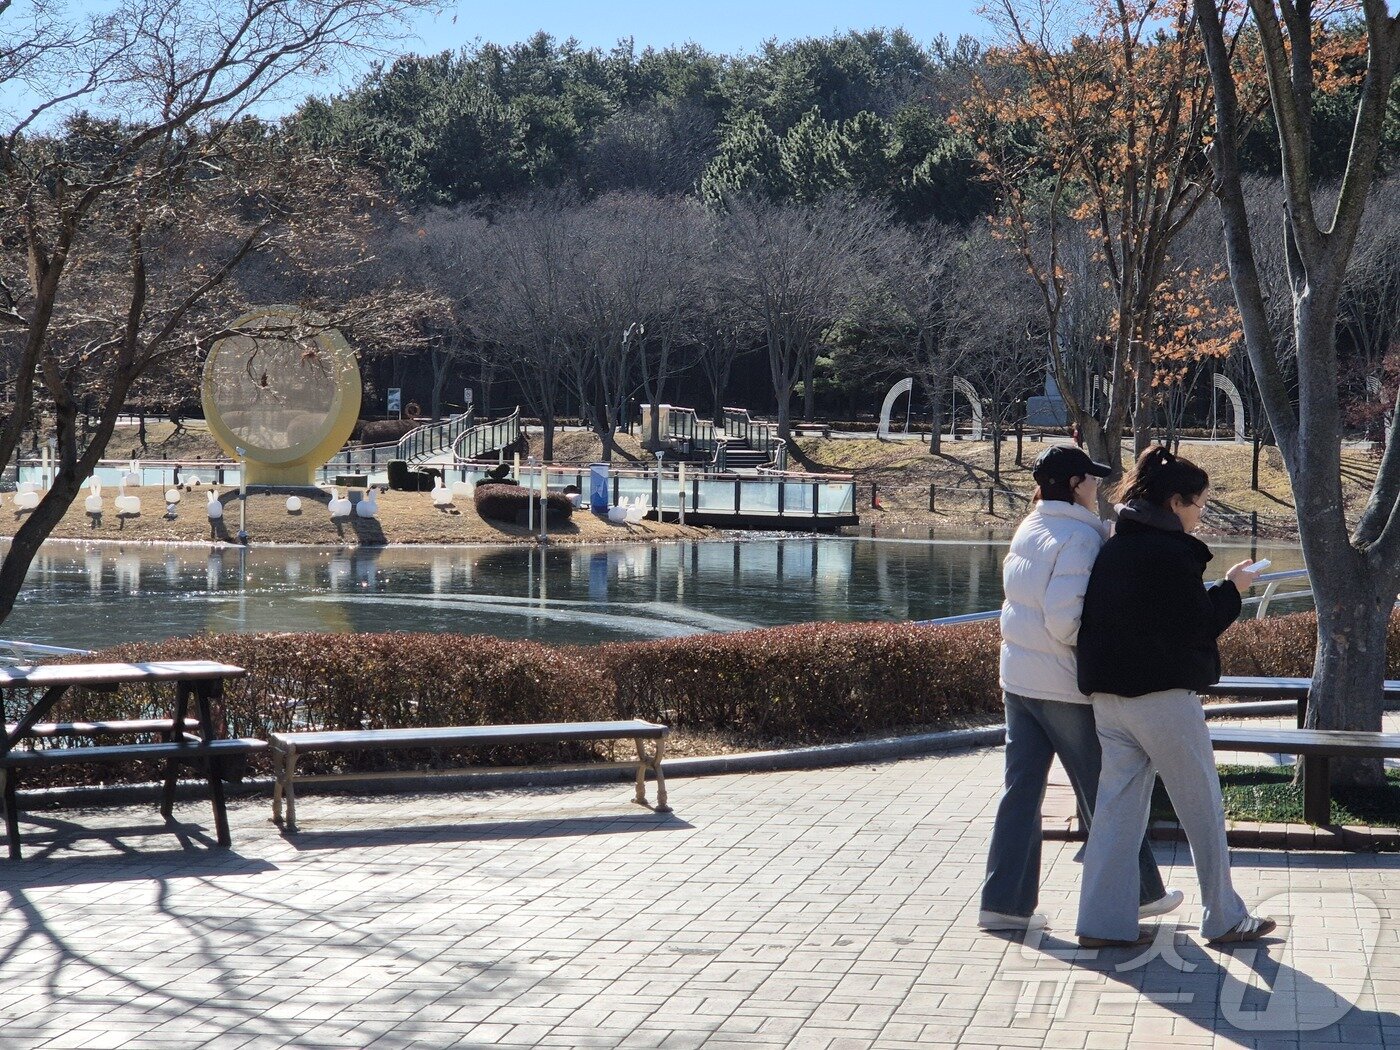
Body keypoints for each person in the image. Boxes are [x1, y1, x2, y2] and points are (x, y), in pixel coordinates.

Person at [1074, 445, 1275, 947]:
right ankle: (1224, 916)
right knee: (1202, 808)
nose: (1201, 513)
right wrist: (1233, 588)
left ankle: (1101, 923)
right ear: (1175, 502)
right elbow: (1197, 624)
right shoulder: (1172, 553)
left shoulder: (1117, 546)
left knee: (1116, 814)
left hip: (1108, 698)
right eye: (1199, 503)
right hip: (1163, 699)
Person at [979, 445, 1180, 931]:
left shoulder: (1031, 527)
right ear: (1073, 484)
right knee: (1106, 792)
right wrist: (1099, 651)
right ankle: (1141, 894)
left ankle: (1003, 905)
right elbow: (1065, 618)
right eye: (1090, 479)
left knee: (1021, 791)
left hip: (1019, 680)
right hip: (1062, 686)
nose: (1097, 486)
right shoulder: (1080, 538)